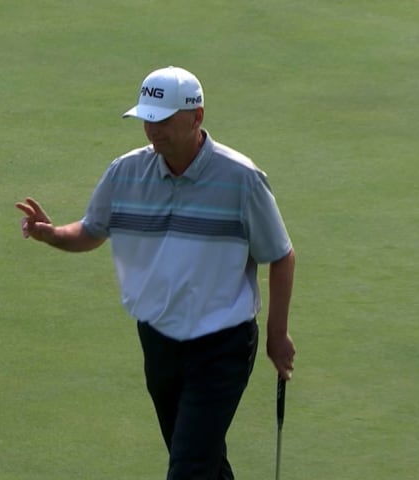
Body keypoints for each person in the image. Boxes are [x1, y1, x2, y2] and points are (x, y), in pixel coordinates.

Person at [16, 66, 296, 480]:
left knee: (186, 468)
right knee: (202, 460)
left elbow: (281, 255)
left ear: (196, 117)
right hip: (159, 339)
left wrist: (276, 334)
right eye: (147, 119)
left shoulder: (241, 180)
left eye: (162, 120)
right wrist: (52, 234)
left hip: (222, 345)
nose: (152, 130)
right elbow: (92, 231)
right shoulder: (126, 173)